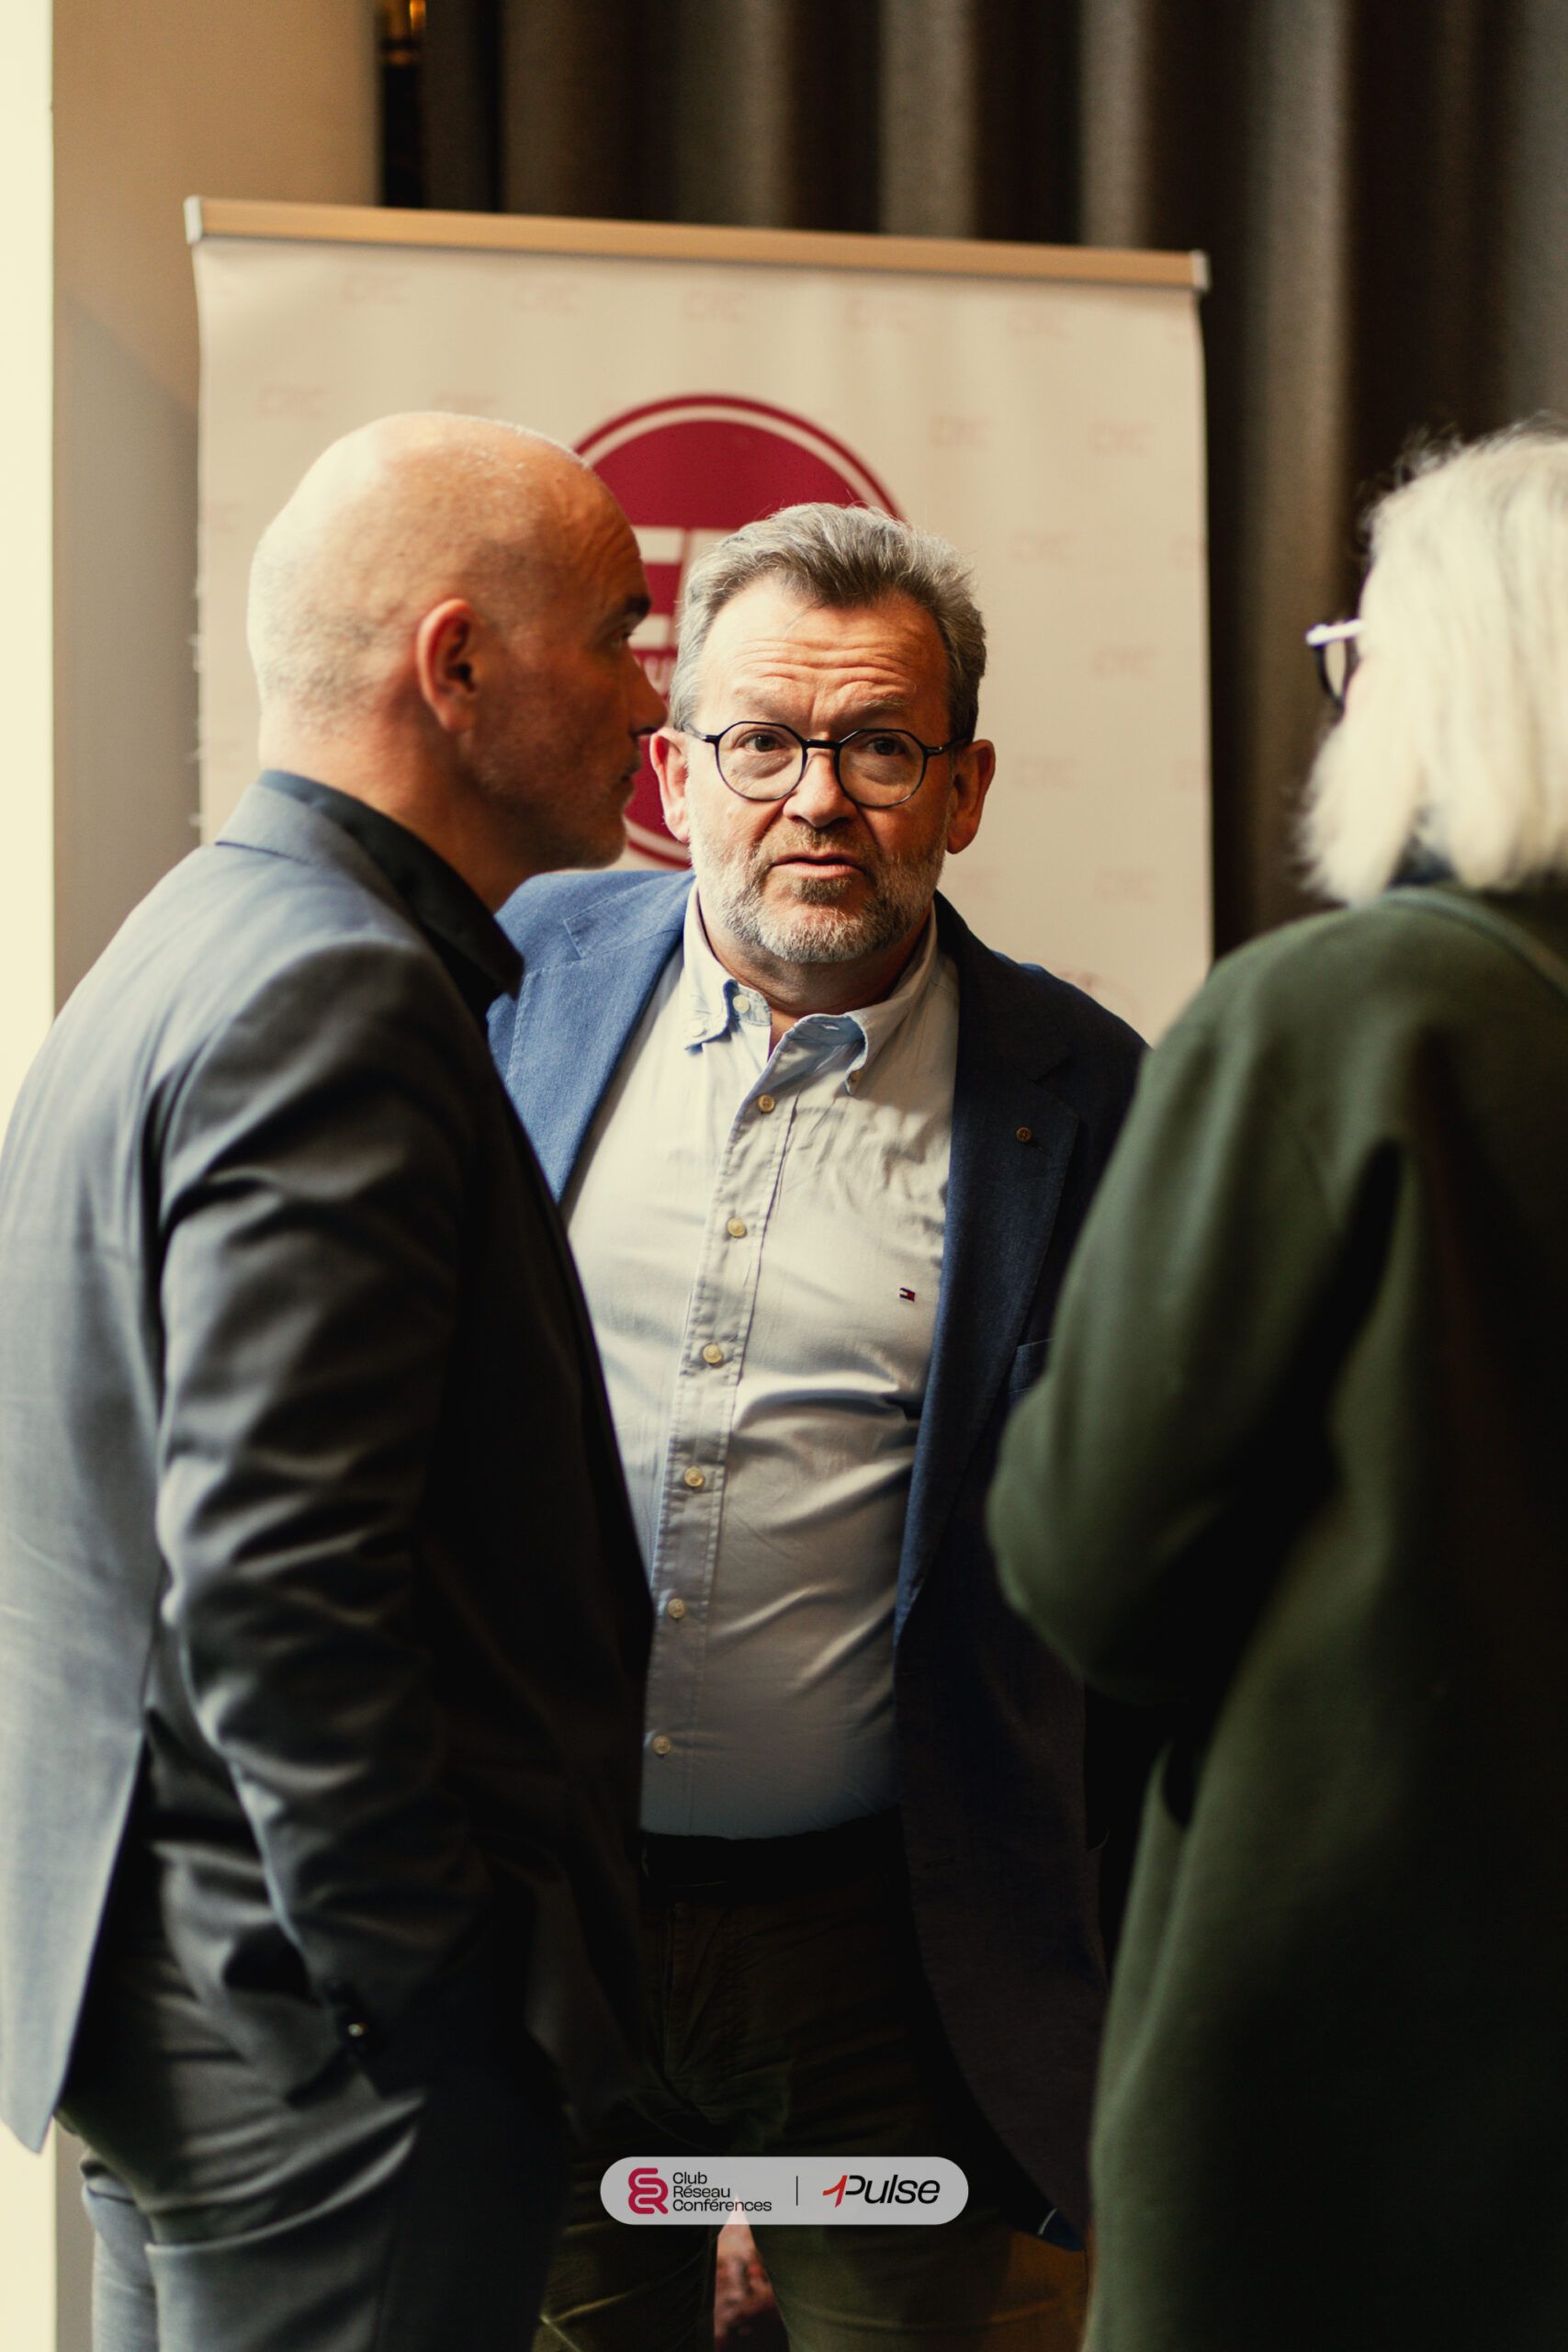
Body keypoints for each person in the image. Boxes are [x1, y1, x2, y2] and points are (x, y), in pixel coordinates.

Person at [0, 413, 664, 2352]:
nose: (654, 697)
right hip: (316, 2045)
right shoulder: (337, 987)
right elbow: (276, 1573)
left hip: (159, 1983)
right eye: (618, 636)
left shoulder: (190, 930)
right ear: (455, 665)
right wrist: (419, 1992)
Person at [490, 502, 1145, 2349]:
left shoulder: (1088, 1099)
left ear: (964, 788)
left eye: (879, 747)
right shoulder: (512, 983)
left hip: (879, 1970)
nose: (818, 800)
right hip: (541, 1925)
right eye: (763, 743)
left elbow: (1127, 1584)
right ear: (673, 775)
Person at [988, 424, 1568, 2352]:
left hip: (1340, 2049)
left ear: (1439, 679)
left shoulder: (1331, 1016)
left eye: (1355, 650)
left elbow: (1088, 1561)